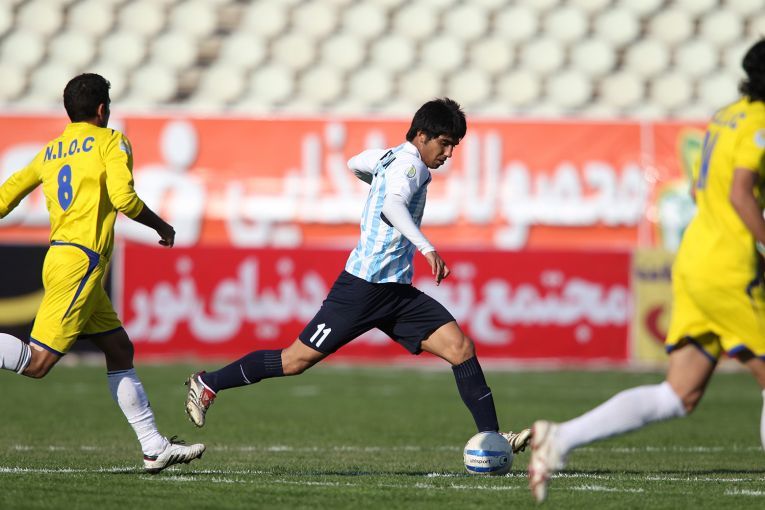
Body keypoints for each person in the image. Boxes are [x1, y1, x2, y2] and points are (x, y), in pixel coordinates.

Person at [184, 98, 531, 453]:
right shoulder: (410, 166)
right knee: (294, 360)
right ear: (422, 136)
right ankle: (209, 382)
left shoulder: (390, 158)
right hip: (362, 289)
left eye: (454, 146)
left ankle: (492, 436)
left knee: (460, 348)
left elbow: (355, 162)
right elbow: (392, 206)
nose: (449, 154)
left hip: (395, 292)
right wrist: (427, 248)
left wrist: (378, 179)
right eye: (444, 143)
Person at [528, 39, 765, 503]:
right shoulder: (759, 123)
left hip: (695, 259)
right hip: (728, 266)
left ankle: (560, 437)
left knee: (678, 395)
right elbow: (740, 192)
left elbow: (701, 191)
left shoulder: (727, 116)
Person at [0, 73, 205, 474]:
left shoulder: (51, 151)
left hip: (61, 258)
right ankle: (153, 446)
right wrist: (162, 226)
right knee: (38, 363)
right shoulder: (111, 141)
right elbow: (124, 198)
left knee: (118, 348)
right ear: (101, 109)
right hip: (82, 263)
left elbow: (5, 197)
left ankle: (154, 447)